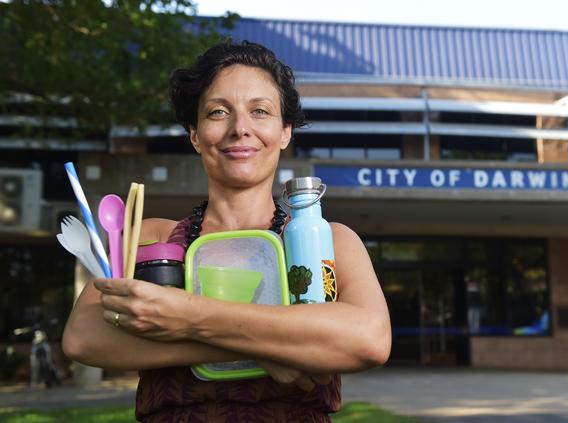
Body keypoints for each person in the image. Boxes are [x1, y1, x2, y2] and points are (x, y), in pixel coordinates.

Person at [62, 40, 391, 422]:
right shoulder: (153, 238)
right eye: (218, 112)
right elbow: (84, 336)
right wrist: (275, 346)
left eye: (260, 111)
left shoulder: (327, 239)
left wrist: (185, 317)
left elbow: (369, 340)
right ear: (195, 134)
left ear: (285, 131)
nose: (240, 129)